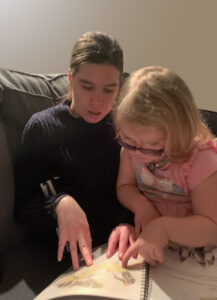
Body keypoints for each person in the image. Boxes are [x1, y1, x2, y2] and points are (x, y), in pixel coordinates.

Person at [15, 31, 133, 270]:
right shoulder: (42, 128)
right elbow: (21, 208)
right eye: (87, 87)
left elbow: (138, 186)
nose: (98, 101)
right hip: (67, 256)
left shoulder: (124, 125)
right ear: (70, 77)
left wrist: (128, 222)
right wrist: (58, 204)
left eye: (109, 90)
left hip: (120, 248)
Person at [108, 65, 217, 267]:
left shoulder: (201, 161)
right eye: (127, 140)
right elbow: (124, 187)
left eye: (153, 145)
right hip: (161, 245)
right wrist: (140, 205)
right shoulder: (131, 150)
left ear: (181, 133)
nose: (138, 153)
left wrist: (164, 228)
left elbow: (214, 227)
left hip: (205, 246)